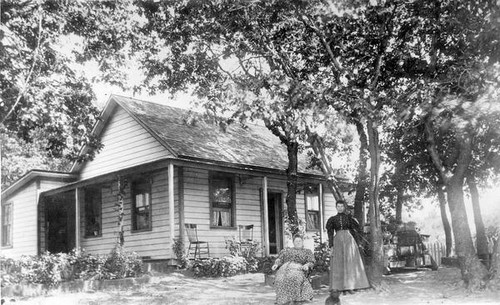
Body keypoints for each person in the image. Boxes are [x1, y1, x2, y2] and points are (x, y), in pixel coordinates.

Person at [326, 200, 370, 294]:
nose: (340, 208)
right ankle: (339, 287)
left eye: (342, 206)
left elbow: (356, 230)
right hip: (337, 241)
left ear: (344, 207)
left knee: (350, 262)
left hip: (349, 241)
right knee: (339, 263)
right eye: (338, 206)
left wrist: (358, 242)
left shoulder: (349, 218)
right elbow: (330, 233)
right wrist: (331, 245)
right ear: (336, 207)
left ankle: (350, 286)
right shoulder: (332, 219)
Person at [271, 234, 315, 304]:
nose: (298, 242)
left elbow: (311, 261)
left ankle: (295, 300)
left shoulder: (307, 251)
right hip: (284, 268)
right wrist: (276, 264)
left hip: (297, 268)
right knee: (279, 279)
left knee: (294, 278)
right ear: (293, 242)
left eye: (300, 241)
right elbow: (280, 259)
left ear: (302, 242)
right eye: (296, 241)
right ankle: (283, 300)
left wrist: (306, 265)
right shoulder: (287, 250)